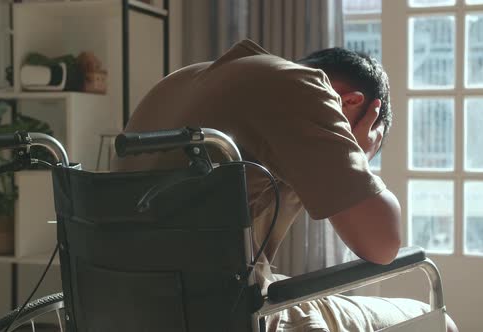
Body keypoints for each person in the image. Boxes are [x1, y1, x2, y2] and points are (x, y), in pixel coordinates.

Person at [112, 39, 457, 332]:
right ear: (351, 102)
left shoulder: (184, 80)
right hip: (219, 313)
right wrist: (360, 158)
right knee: (433, 319)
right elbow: (382, 244)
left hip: (122, 306)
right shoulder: (304, 88)